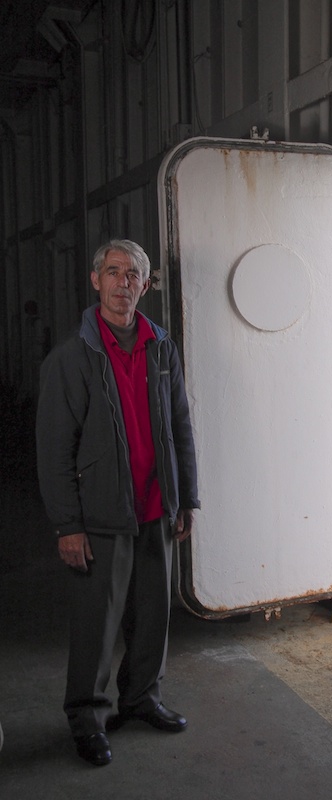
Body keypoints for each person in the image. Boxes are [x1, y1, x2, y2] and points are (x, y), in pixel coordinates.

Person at [36, 239, 200, 767]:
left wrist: (186, 497)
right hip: (101, 513)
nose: (122, 282)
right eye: (113, 272)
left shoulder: (161, 346)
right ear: (95, 281)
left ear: (145, 286)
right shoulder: (72, 357)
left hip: (156, 505)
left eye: (133, 274)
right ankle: (87, 717)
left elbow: (180, 428)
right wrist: (67, 524)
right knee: (97, 623)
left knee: (153, 615)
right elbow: (54, 449)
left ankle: (141, 699)